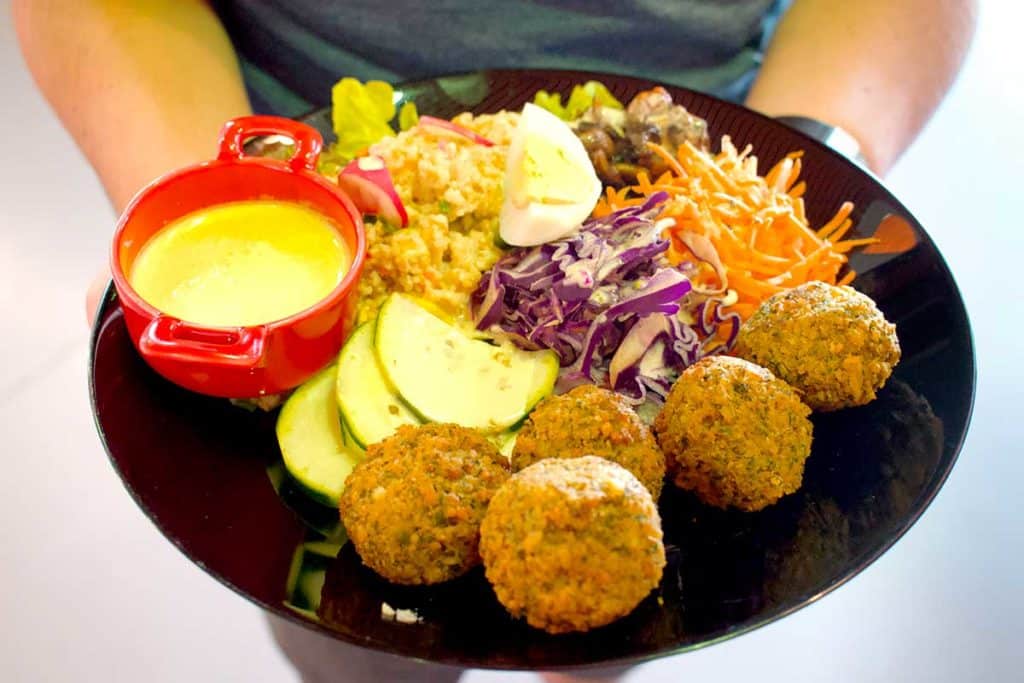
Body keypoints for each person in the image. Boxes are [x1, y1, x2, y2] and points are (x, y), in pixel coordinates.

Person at [13, 2, 977, 682]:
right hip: (270, 129)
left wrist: (809, 144)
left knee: (610, 635)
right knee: (347, 649)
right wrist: (211, 213)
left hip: (698, 139)